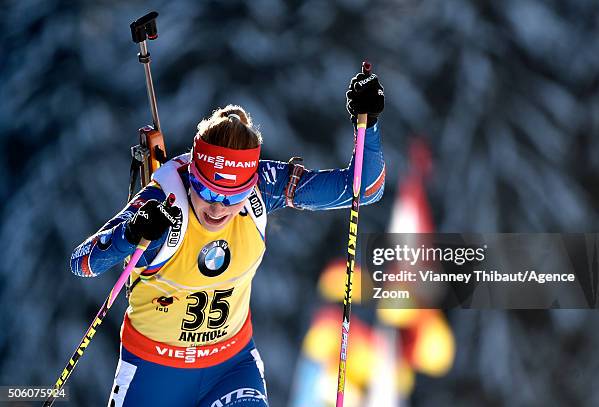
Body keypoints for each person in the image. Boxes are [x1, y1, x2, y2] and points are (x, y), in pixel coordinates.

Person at [70, 68, 386, 407]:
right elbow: (82, 262)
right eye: (207, 190)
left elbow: (364, 189)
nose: (219, 207)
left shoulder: (264, 186)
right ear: (192, 173)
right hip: (154, 373)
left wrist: (369, 125)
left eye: (233, 196)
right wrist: (131, 232)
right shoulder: (163, 203)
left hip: (231, 367)